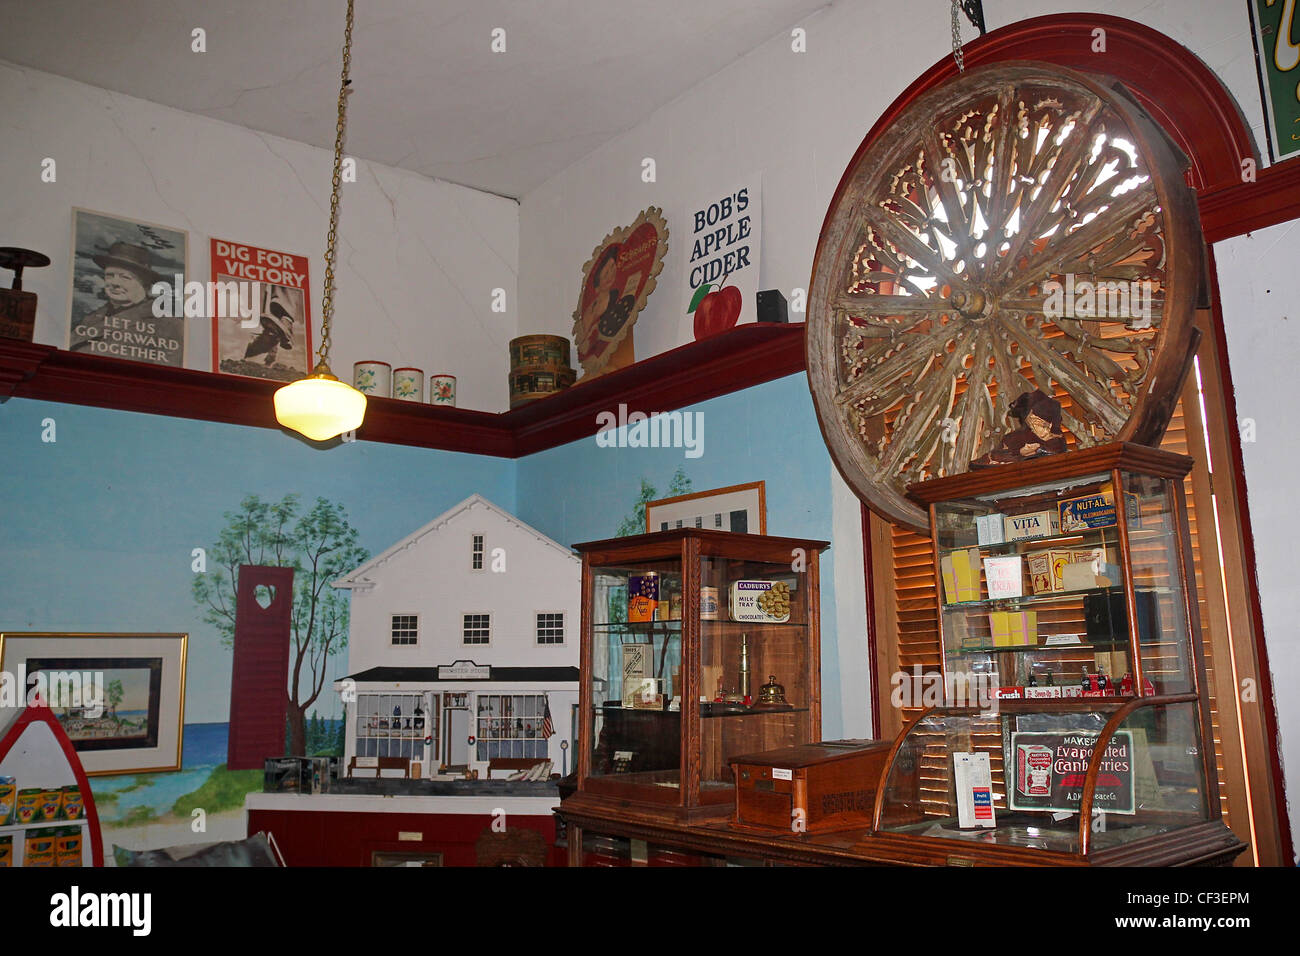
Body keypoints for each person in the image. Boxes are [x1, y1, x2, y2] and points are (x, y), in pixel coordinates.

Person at [69, 241, 182, 365]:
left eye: (125, 277)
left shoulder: (169, 326)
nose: (114, 283)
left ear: (146, 285)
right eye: (110, 275)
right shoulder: (91, 317)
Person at [970, 389, 1068, 468]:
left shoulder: (1056, 440)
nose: (1035, 425)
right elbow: (994, 456)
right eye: (1032, 421)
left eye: (1040, 422)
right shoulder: (1013, 438)